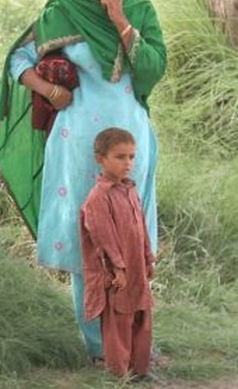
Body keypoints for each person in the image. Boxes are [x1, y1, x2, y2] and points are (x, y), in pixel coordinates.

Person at [0, 0, 166, 363]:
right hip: (78, 141)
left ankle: (136, 341)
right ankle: (99, 346)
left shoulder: (141, 11)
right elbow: (17, 60)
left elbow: (152, 71)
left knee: (132, 239)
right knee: (93, 239)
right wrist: (48, 89)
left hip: (132, 139)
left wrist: (121, 19)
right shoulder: (62, 11)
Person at [80, 127, 156, 381]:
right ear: (101, 159)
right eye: (120, 157)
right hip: (117, 275)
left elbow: (141, 228)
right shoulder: (98, 198)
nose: (128, 163)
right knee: (118, 325)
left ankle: (140, 372)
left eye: (132, 157)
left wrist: (148, 257)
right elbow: (104, 237)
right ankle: (118, 376)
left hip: (137, 270)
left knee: (141, 319)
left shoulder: (130, 190)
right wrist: (119, 269)